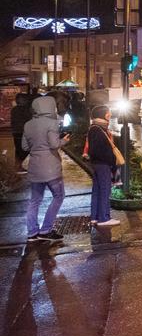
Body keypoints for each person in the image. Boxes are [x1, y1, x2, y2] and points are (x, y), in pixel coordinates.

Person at [21, 96, 70, 243]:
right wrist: (65, 141)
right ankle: (46, 229)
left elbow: (24, 147)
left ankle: (32, 232)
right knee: (58, 196)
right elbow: (54, 144)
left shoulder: (28, 125)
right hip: (51, 168)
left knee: (35, 200)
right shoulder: (52, 123)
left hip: (34, 167)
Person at [83, 105, 122, 227]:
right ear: (103, 115)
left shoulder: (95, 128)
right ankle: (104, 218)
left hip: (97, 163)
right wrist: (111, 160)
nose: (110, 114)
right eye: (108, 112)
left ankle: (95, 217)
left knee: (97, 190)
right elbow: (98, 150)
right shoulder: (98, 129)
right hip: (102, 164)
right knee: (105, 190)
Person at [10, 92, 32, 167]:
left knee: (18, 148)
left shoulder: (14, 109)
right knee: (25, 149)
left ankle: (18, 164)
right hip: (24, 132)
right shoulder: (27, 109)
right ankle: (23, 164)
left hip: (16, 132)